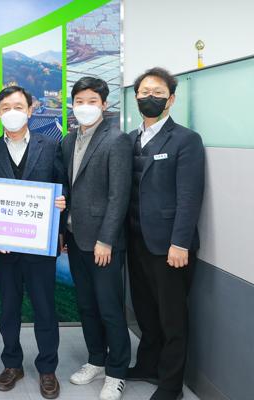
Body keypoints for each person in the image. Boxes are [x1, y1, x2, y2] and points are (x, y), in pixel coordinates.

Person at [0, 85, 66, 399]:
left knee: (45, 308)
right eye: (5, 108)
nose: (12, 112)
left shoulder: (51, 146)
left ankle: (47, 368)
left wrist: (62, 208)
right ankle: (12, 364)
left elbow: (63, 187)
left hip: (40, 245)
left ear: (30, 110)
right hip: (3, 248)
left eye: (18, 106)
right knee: (9, 309)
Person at [126, 67, 205, 400]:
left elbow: (189, 197)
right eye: (144, 92)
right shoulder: (131, 138)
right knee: (145, 311)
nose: (150, 97)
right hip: (135, 240)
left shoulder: (185, 140)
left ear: (171, 99)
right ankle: (148, 365)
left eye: (158, 92)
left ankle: (171, 385)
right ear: (136, 97)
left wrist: (179, 243)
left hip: (169, 246)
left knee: (172, 318)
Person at [60, 77, 132, 400]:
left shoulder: (116, 140)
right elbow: (68, 187)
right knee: (87, 305)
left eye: (92, 101)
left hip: (104, 243)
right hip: (76, 238)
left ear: (104, 104)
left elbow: (119, 196)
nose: (85, 107)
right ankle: (96, 360)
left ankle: (116, 372)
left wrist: (107, 239)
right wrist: (63, 230)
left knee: (110, 308)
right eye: (79, 101)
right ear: (72, 105)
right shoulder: (68, 140)